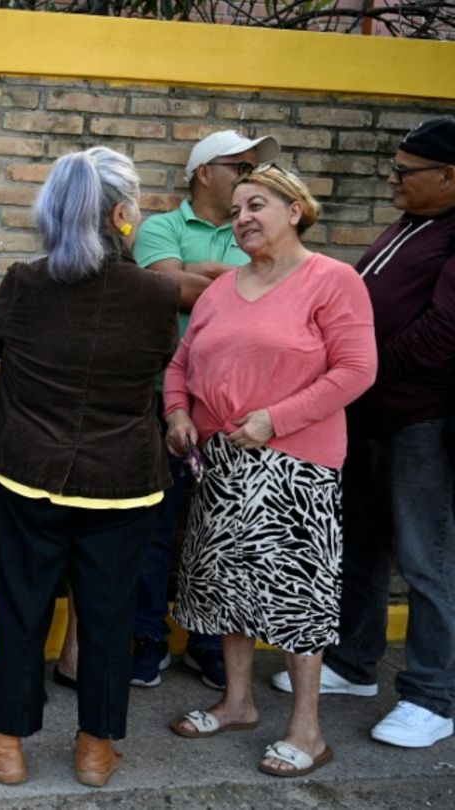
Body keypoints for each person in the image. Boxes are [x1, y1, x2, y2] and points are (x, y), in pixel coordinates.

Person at [0, 147, 177, 789]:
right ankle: (94, 751)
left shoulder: (25, 282)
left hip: (28, 473)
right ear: (121, 213)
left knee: (22, 609)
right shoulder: (155, 294)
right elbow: (156, 364)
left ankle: (6, 746)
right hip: (123, 483)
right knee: (109, 617)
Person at [164, 164, 376, 777]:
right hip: (223, 460)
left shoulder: (332, 281)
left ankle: (308, 732)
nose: (243, 218)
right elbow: (181, 362)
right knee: (228, 588)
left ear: (295, 210)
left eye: (257, 204)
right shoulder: (224, 288)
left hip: (296, 464)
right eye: (235, 210)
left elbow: (357, 370)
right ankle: (237, 702)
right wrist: (177, 413)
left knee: (296, 595)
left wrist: (275, 419)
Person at [272, 117, 455, 749]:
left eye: (405, 172)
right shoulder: (412, 225)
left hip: (419, 420)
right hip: (368, 416)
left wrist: (360, 369)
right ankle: (354, 661)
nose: (392, 179)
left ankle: (433, 695)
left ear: (449, 176)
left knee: (425, 559)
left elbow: (442, 334)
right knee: (360, 546)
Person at [129, 130, 280, 690]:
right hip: (162, 397)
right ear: (202, 172)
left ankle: (209, 640)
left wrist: (205, 274)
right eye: (238, 166)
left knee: (224, 530)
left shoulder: (256, 229)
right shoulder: (162, 227)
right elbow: (171, 291)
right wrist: (235, 277)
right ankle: (148, 637)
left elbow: (273, 292)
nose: (248, 176)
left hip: (239, 408)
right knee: (154, 525)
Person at [0, 302, 83, 690]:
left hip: (96, 444)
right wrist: (21, 387)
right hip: (33, 444)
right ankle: (24, 679)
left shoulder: (130, 284)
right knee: (30, 568)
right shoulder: (33, 276)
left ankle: (73, 658)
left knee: (89, 561)